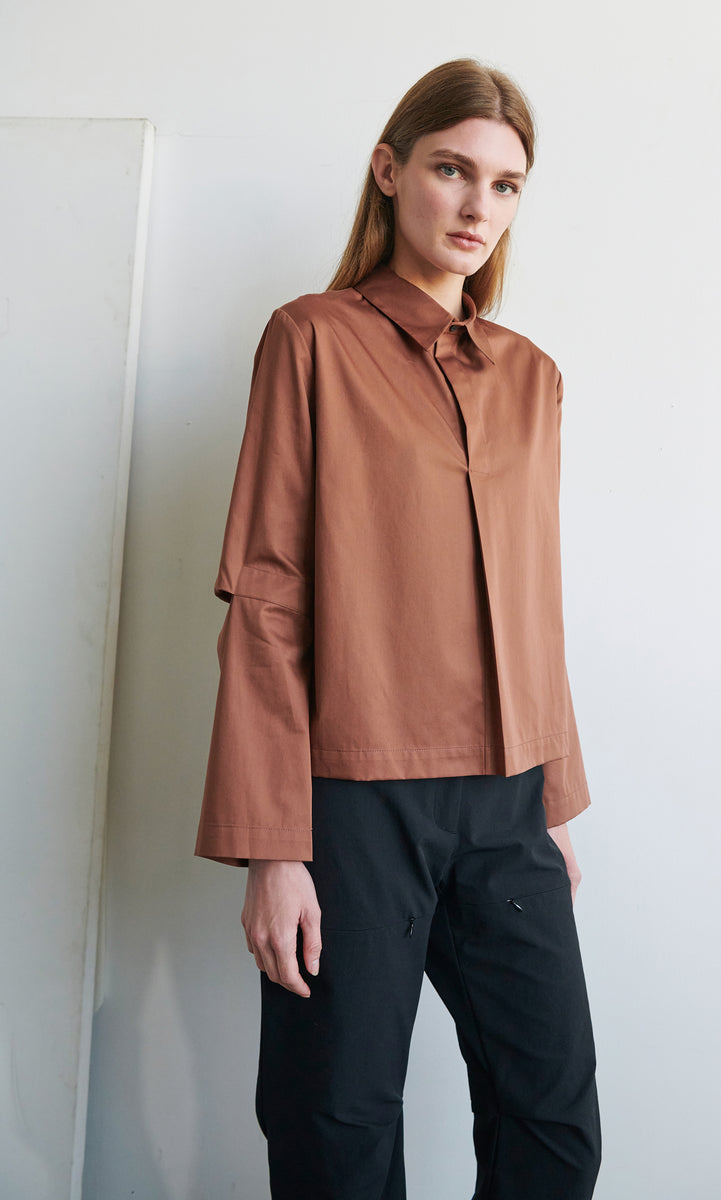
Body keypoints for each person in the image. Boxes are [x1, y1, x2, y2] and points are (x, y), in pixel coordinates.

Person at [196, 57, 602, 1200]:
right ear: (390, 172)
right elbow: (267, 593)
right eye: (451, 171)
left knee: (555, 1129)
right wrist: (274, 847)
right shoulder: (311, 340)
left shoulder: (533, 379)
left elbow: (535, 599)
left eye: (507, 185)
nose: (479, 207)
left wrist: (554, 801)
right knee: (337, 1133)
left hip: (510, 803)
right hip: (353, 805)